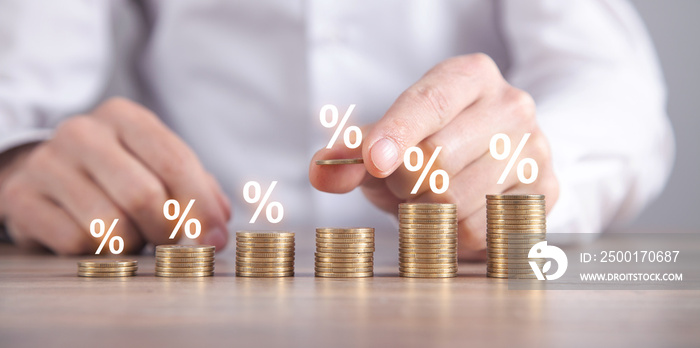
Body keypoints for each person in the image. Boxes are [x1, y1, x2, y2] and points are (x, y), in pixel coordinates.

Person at [0, 0, 673, 259]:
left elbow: (615, 90)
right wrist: (21, 164)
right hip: (191, 275)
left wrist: (536, 163)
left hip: (468, 293)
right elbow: (18, 93)